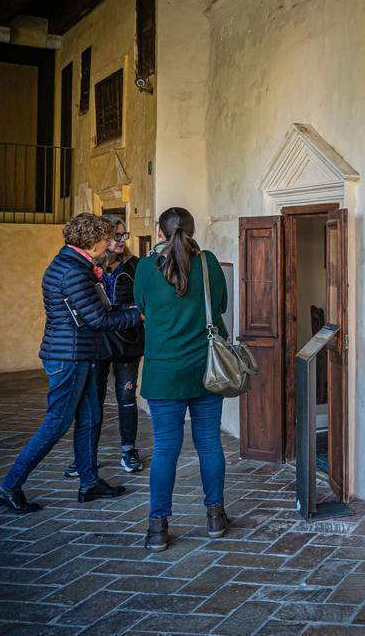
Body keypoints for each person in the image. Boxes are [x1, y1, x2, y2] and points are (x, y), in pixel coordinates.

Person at [0, 213, 140, 513]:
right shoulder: (73, 271)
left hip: (80, 354)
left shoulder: (76, 265)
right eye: (105, 238)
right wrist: (139, 315)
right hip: (68, 356)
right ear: (91, 241)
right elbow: (97, 319)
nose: (108, 244)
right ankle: (8, 487)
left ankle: (89, 482)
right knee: (56, 423)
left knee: (89, 419)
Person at [134, 207, 231, 551]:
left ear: (159, 233)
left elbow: (141, 307)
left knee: (164, 449)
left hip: (164, 372)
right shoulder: (208, 263)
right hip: (206, 369)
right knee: (208, 443)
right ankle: (215, 517)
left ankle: (158, 528)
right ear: (193, 232)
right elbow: (219, 305)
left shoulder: (146, 267)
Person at [64, 214, 144, 478]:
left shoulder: (137, 266)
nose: (121, 241)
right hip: (95, 341)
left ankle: (128, 451)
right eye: (115, 236)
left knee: (126, 397)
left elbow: (144, 302)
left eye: (123, 235)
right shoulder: (86, 267)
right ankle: (86, 458)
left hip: (127, 340)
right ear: (102, 239)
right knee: (92, 401)